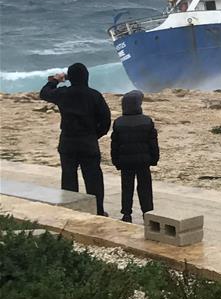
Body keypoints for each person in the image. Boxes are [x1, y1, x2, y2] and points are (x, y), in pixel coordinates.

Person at [40, 63, 111, 216]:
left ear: (69, 78)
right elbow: (106, 121)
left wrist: (56, 80)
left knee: (69, 176)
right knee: (93, 178)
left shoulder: (63, 93)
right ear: (87, 77)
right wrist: (94, 135)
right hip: (88, 142)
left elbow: (44, 93)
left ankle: (71, 210)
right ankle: (97, 210)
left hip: (68, 141)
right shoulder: (94, 95)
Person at [111, 90, 159, 223]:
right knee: (145, 187)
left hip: (126, 162)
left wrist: (116, 161)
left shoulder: (118, 122)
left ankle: (126, 214)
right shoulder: (147, 121)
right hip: (143, 161)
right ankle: (147, 213)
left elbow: (115, 145)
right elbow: (153, 143)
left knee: (126, 187)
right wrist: (154, 159)